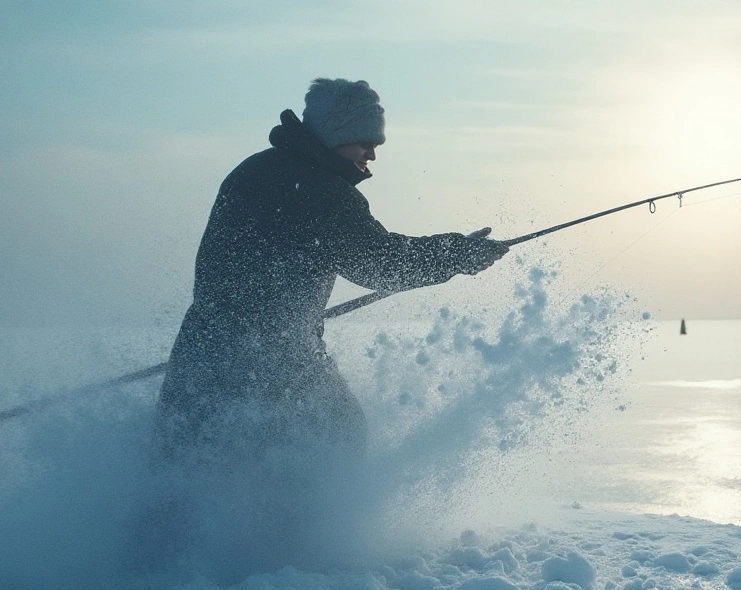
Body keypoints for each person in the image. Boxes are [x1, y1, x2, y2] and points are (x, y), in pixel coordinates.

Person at [154, 78, 506, 461]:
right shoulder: (319, 190)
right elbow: (382, 264)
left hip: (201, 352)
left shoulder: (258, 169)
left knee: (185, 480)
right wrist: (458, 254)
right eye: (365, 140)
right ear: (336, 134)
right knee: (339, 433)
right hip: (272, 364)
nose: (372, 153)